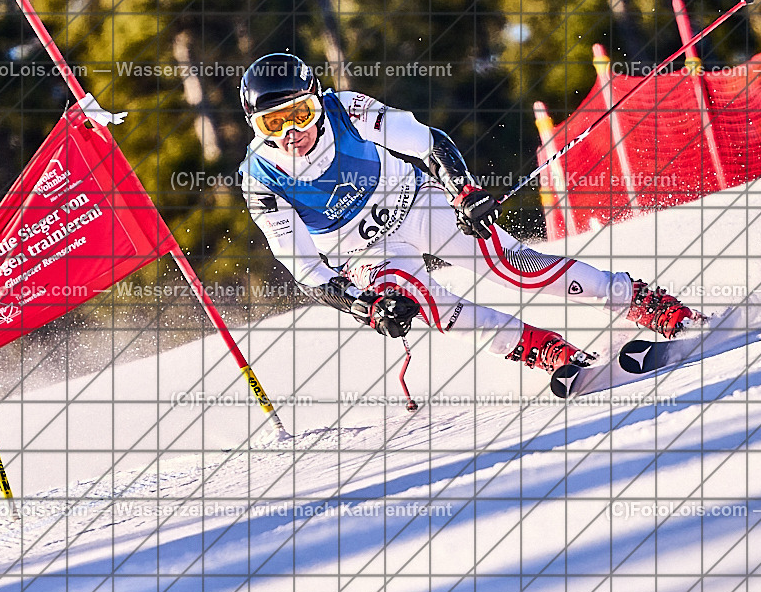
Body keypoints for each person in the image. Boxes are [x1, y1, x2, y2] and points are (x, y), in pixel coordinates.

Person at [237, 53, 699, 385]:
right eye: (273, 125)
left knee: (511, 264)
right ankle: (543, 348)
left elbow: (425, 140)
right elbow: (306, 269)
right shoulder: (260, 179)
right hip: (364, 253)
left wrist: (464, 191)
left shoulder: (347, 110)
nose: (292, 133)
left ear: (318, 102)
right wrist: (365, 306)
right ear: (256, 128)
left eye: (300, 114)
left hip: (415, 203)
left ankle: (640, 301)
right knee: (429, 306)